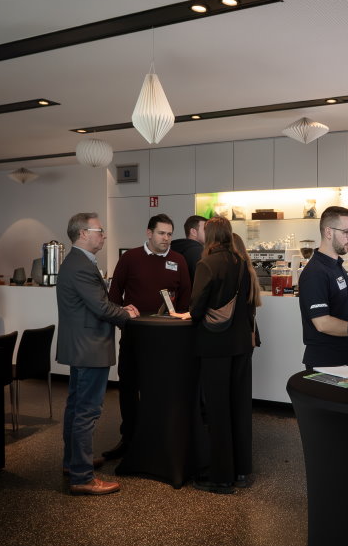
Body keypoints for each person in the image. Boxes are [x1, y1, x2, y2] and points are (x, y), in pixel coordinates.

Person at [172, 217, 256, 494]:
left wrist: (188, 313)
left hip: (216, 345)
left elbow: (197, 308)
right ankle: (242, 470)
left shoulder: (207, 264)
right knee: (240, 408)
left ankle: (221, 476)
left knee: (218, 410)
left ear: (209, 236)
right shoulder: (241, 262)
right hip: (242, 344)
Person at [56, 212, 137, 495]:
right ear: (82, 234)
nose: (103, 235)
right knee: (87, 411)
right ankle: (82, 476)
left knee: (77, 407)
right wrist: (126, 315)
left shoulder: (78, 262)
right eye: (99, 230)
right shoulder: (80, 265)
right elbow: (101, 307)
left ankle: (74, 463)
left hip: (82, 345)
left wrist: (119, 310)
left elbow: (98, 303)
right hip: (89, 346)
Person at [104, 213, 191, 460]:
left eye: (169, 234)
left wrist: (179, 324)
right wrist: (122, 318)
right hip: (134, 334)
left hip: (166, 338)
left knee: (161, 388)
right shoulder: (130, 258)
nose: (166, 238)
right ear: (149, 233)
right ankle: (128, 437)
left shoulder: (178, 260)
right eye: (162, 233)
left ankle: (159, 439)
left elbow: (186, 296)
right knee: (129, 386)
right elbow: (114, 294)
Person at [298, 206, 348, 371]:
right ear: (329, 232)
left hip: (343, 358)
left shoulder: (336, 266)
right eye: (347, 232)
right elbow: (322, 323)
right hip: (326, 363)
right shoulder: (315, 272)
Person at [171, 215, 207, 282]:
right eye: (205, 229)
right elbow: (200, 283)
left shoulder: (175, 248)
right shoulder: (197, 251)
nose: (209, 233)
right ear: (193, 232)